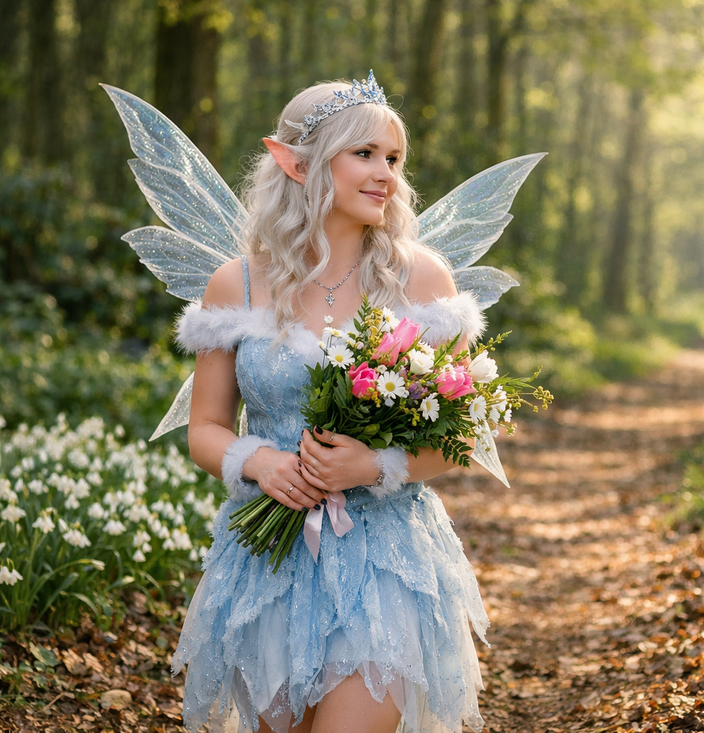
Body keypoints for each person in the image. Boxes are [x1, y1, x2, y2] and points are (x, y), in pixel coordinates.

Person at [170, 77, 490, 733]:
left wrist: (370, 464)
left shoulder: (422, 281)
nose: (385, 175)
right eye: (364, 154)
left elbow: (455, 440)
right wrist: (258, 460)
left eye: (394, 159)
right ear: (298, 163)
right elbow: (204, 428)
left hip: (386, 562)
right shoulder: (238, 282)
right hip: (269, 560)